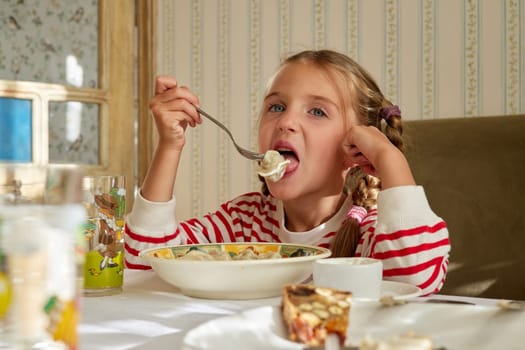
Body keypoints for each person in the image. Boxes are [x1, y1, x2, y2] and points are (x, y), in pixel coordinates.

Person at [124, 49, 450, 295]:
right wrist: (169, 145)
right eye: (276, 106)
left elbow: (416, 283)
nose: (285, 121)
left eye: (317, 111)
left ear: (354, 149)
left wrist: (389, 158)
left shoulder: (374, 232)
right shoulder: (243, 221)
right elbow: (142, 264)